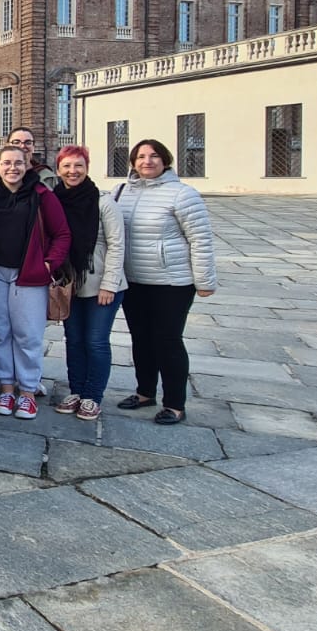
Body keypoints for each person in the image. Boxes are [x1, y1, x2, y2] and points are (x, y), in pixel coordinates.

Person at [114, 139, 216, 426]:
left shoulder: (182, 194)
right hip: (134, 279)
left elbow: (201, 239)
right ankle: (145, 392)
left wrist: (205, 280)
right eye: (141, 156)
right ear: (133, 162)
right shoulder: (122, 192)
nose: (148, 161)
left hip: (172, 282)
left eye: (154, 156)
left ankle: (174, 403)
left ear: (165, 160)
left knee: (168, 340)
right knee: (141, 339)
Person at [0, 146, 71, 421]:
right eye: (6, 162)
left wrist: (48, 263)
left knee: (27, 334)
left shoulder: (42, 196)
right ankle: (6, 387)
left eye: (18, 163)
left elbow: (62, 233)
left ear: (28, 165)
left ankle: (28, 391)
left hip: (28, 274)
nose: (12, 168)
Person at [51, 145, 127, 421]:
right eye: (67, 166)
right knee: (73, 340)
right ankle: (76, 390)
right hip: (71, 283)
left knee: (95, 341)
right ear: (58, 169)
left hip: (101, 285)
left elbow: (117, 245)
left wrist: (110, 283)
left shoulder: (103, 202)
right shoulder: (55, 200)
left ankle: (93, 395)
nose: (73, 171)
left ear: (87, 168)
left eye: (78, 165)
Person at [0, 127, 58, 193]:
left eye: (28, 142)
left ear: (34, 147)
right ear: (7, 145)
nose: (22, 146)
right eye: (16, 142)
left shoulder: (48, 177)